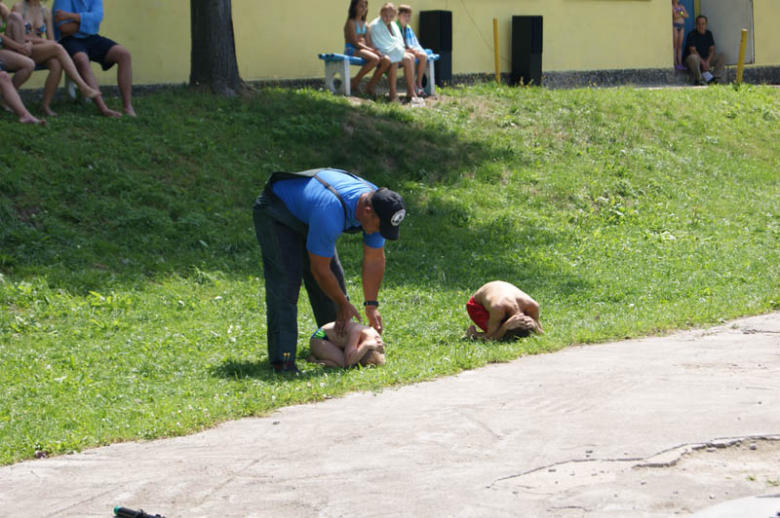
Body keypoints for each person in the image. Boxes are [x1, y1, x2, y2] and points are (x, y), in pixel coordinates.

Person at [252, 168, 406, 374]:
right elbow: (319, 269)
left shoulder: (379, 205)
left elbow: (374, 259)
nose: (380, 233)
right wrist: (343, 303)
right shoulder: (331, 210)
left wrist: (371, 305)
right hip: (278, 211)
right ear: (367, 212)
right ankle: (283, 361)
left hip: (311, 211)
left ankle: (332, 347)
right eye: (380, 228)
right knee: (286, 284)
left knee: (335, 284)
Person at [8, 0, 101, 116]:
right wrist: (42, 41)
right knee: (58, 48)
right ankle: (82, 86)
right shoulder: (19, 7)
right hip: (21, 49)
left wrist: (43, 42)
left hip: (37, 50)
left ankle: (45, 105)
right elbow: (17, 36)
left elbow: (51, 39)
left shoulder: (45, 11)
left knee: (56, 63)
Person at [52, 0, 135, 117]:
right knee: (81, 59)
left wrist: (70, 16)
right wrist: (89, 24)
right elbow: (64, 28)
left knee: (124, 54)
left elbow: (98, 17)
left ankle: (127, 105)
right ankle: (103, 108)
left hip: (91, 38)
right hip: (68, 40)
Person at [368, 2, 418, 102]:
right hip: (382, 51)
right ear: (381, 13)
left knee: (410, 58)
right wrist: (395, 50)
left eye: (391, 16)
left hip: (393, 51)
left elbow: (398, 41)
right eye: (385, 15)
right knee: (394, 60)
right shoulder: (375, 25)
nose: (388, 18)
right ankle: (393, 93)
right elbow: (379, 43)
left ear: (394, 15)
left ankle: (410, 91)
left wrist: (398, 49)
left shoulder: (393, 25)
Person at [466, 281, 543, 341]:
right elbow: (490, 338)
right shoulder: (497, 308)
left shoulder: (533, 306)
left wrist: (535, 325)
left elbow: (541, 332)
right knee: (500, 336)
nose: (523, 320)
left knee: (505, 333)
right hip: (477, 305)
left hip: (498, 290)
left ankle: (477, 334)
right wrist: (504, 327)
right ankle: (473, 334)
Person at [344, 0, 389, 96]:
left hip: (363, 49)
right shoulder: (350, 22)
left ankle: (370, 85)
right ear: (354, 7)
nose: (364, 9)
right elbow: (355, 43)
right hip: (351, 49)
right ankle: (354, 82)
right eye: (361, 6)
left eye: (365, 6)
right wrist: (372, 51)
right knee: (374, 59)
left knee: (385, 60)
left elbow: (368, 42)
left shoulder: (365, 23)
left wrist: (376, 50)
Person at [307, 321, 386, 368]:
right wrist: (366, 345)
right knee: (343, 364)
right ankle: (315, 361)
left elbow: (379, 352)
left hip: (333, 340)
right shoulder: (356, 331)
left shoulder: (376, 339)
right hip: (320, 338)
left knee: (348, 361)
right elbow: (349, 362)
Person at [0, 1, 36, 91]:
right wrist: (18, 47)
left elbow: (26, 29)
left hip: (9, 47)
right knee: (29, 64)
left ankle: (7, 96)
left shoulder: (2, 8)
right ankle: (8, 96)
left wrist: (29, 43)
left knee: (16, 16)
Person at [683, 15, 725, 86]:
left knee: (722, 56)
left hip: (705, 60)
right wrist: (703, 63)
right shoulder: (692, 34)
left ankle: (716, 78)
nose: (701, 26)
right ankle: (699, 80)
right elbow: (693, 51)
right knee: (693, 57)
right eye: (698, 24)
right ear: (696, 25)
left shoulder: (709, 34)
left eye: (703, 24)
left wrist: (707, 62)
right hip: (693, 61)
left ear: (706, 25)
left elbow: (712, 49)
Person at [396, 4, 427, 97]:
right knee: (412, 57)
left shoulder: (408, 27)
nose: (407, 18)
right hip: (400, 51)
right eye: (404, 15)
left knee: (423, 56)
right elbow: (399, 44)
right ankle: (413, 87)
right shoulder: (396, 27)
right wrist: (412, 51)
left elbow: (412, 42)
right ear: (398, 15)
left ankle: (419, 83)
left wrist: (414, 50)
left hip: (408, 50)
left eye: (409, 16)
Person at [671, 0, 689, 70]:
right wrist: (682, 13)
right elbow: (675, 16)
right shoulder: (672, 6)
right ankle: (675, 63)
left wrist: (680, 13)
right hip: (675, 26)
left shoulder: (681, 6)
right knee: (675, 45)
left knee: (680, 46)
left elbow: (687, 15)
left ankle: (680, 63)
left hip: (682, 26)